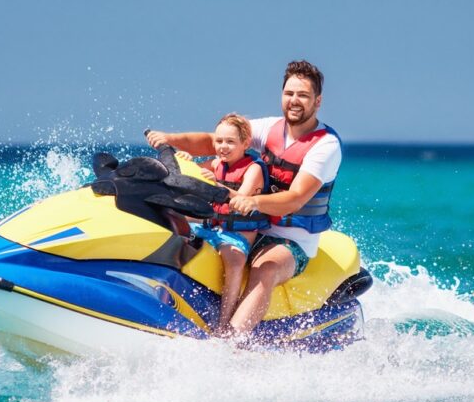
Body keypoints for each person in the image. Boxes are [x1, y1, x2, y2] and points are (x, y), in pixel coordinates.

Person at [146, 60, 341, 341]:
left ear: (317, 101)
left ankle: (231, 342)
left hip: (290, 239)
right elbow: (214, 140)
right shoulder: (268, 128)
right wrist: (170, 139)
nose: (294, 101)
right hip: (245, 226)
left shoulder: (326, 145)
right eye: (289, 93)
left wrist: (254, 202)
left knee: (266, 268)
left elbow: (296, 198)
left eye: (303, 95)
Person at [173, 113, 267, 332]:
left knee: (234, 261)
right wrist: (185, 161)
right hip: (209, 227)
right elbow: (190, 176)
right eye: (219, 141)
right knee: (171, 228)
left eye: (230, 142)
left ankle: (224, 323)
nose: (223, 147)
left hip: (236, 235)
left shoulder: (253, 169)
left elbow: (241, 199)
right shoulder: (216, 163)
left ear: (245, 143)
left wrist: (216, 185)